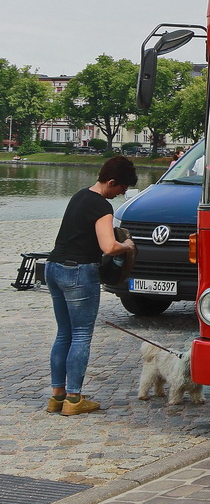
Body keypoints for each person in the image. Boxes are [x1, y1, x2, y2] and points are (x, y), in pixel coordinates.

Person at [45, 155, 138, 416]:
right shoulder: (101, 207)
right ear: (111, 181)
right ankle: (74, 399)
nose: (123, 193)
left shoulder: (79, 196)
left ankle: (56, 397)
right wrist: (127, 246)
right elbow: (108, 246)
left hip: (54, 267)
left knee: (64, 333)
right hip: (78, 272)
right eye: (122, 188)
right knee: (82, 334)